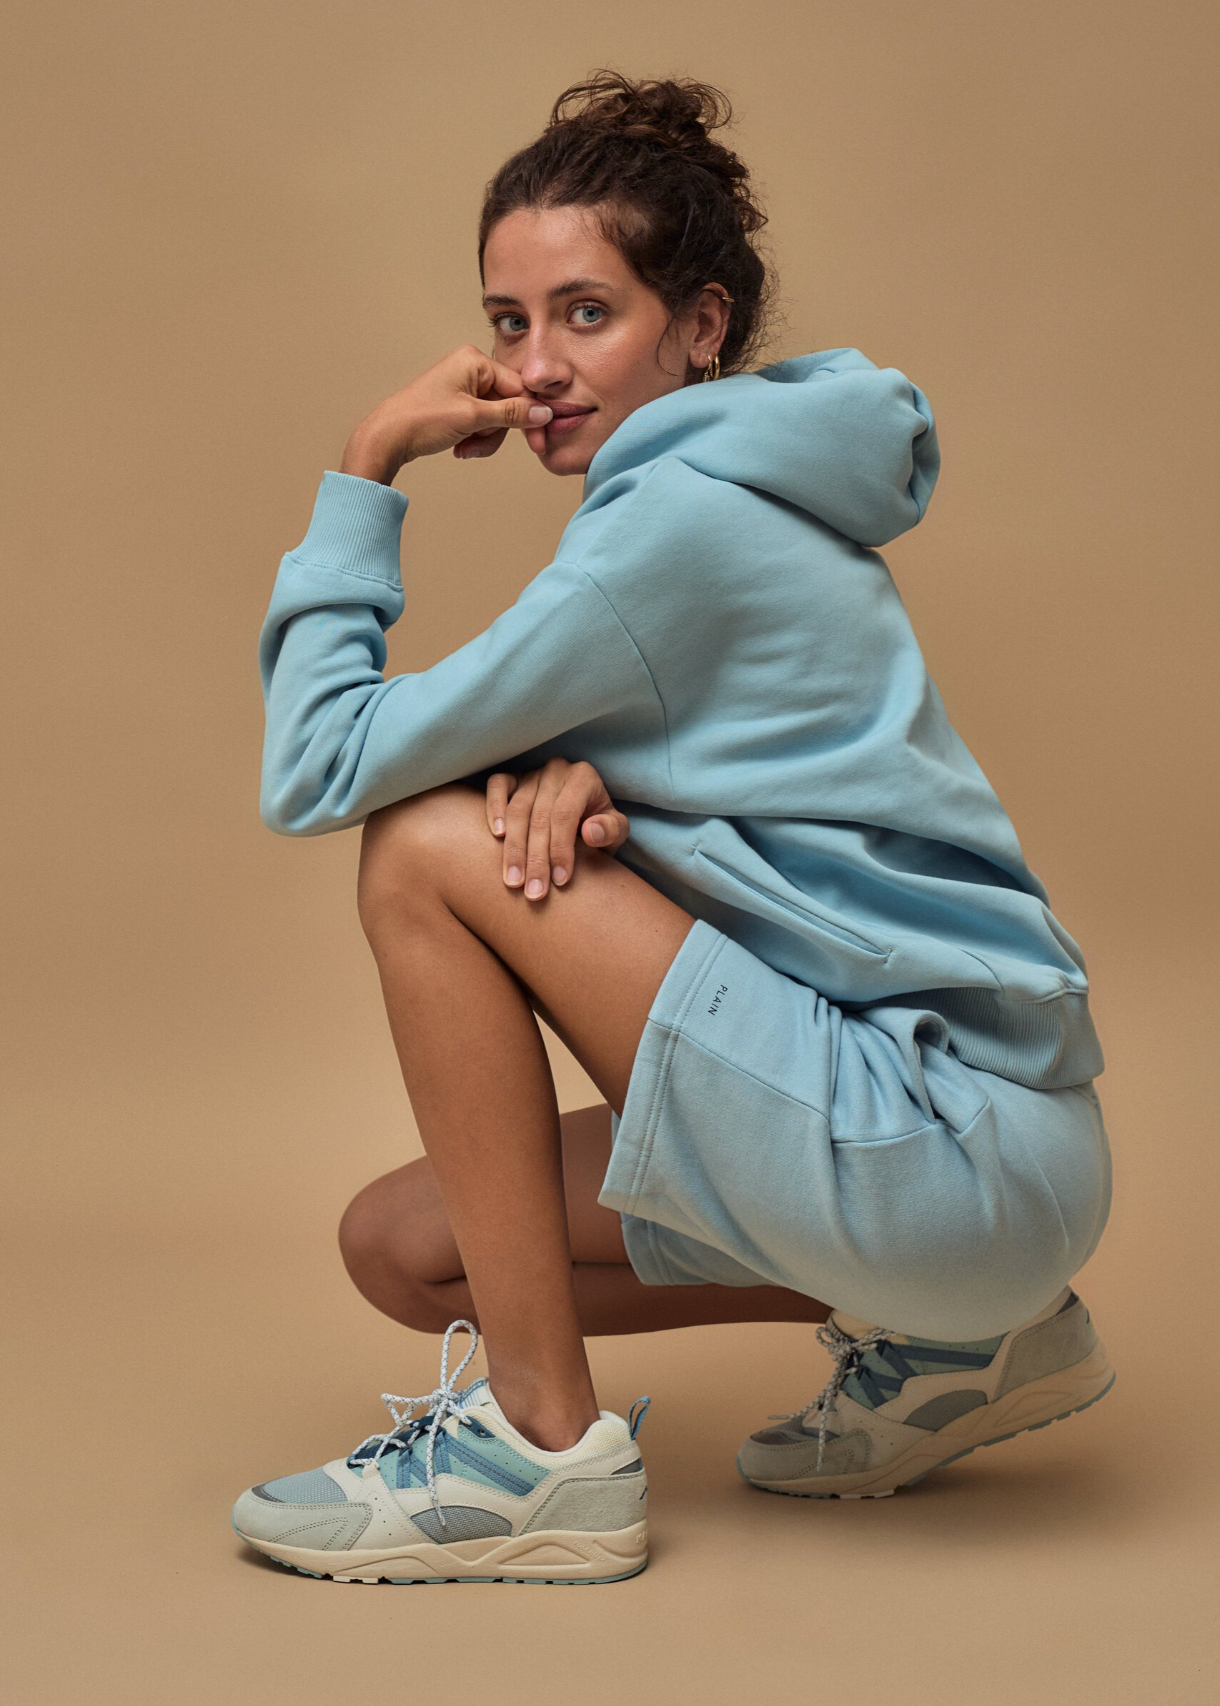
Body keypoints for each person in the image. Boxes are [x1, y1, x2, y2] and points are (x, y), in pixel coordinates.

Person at [232, 71, 1115, 1585]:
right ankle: (968, 1337)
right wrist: (604, 787)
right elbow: (795, 800)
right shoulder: (749, 480)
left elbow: (320, 766)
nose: (536, 368)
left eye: (587, 314)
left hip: (944, 1136)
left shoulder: (673, 524)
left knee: (424, 847)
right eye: (510, 322)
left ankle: (541, 1455)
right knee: (409, 1249)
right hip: (990, 1149)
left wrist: (368, 461)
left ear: (699, 324)